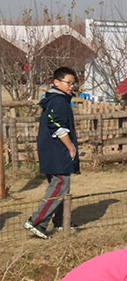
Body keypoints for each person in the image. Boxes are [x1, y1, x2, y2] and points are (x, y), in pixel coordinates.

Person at [24, 67, 80, 240]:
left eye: (73, 84)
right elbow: (56, 125)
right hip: (57, 151)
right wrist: (70, 147)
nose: (71, 87)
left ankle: (61, 221)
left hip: (52, 150)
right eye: (68, 83)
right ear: (56, 82)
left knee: (63, 186)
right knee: (60, 184)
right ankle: (37, 222)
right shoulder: (58, 101)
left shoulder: (58, 99)